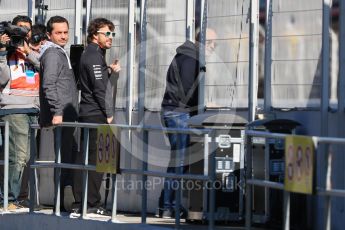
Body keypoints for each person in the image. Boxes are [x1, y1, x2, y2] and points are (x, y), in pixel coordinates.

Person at [160, 28, 217, 218]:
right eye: (211, 42)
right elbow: (188, 91)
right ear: (201, 41)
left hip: (177, 112)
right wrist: (204, 104)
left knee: (180, 162)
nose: (213, 46)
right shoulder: (191, 59)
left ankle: (168, 204)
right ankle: (168, 206)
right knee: (180, 161)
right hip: (178, 114)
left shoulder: (187, 55)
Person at [72, 17, 120, 215]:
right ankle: (90, 203)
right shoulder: (92, 55)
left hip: (94, 113)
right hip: (95, 115)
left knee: (101, 160)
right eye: (106, 33)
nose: (110, 37)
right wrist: (109, 114)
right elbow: (99, 89)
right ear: (94, 35)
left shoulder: (96, 54)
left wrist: (109, 71)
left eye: (112, 34)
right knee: (96, 161)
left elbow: (96, 82)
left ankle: (89, 202)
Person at [0, 15, 40, 208]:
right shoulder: (6, 52)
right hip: (13, 108)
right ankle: (8, 199)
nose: (23, 32)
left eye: (27, 29)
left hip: (32, 108)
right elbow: (1, 79)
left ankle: (14, 198)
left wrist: (28, 52)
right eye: (19, 28)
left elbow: (46, 68)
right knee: (17, 157)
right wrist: (2, 51)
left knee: (24, 158)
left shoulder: (34, 51)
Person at [39, 16, 78, 212]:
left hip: (66, 115)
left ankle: (65, 202)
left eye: (65, 32)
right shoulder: (53, 54)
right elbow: (49, 84)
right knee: (64, 158)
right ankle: (61, 203)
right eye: (58, 33)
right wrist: (57, 111)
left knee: (70, 156)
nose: (63, 36)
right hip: (61, 116)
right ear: (49, 34)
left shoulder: (59, 52)